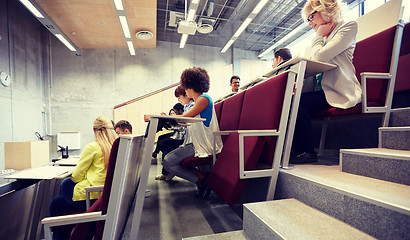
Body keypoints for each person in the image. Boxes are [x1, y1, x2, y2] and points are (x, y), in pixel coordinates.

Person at [291, 0, 361, 164]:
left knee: (297, 103)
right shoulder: (326, 35)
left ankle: (307, 152)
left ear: (324, 9)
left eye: (310, 17)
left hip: (340, 89)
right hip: (324, 90)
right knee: (292, 102)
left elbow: (319, 57)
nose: (309, 24)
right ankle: (299, 150)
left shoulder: (348, 26)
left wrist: (317, 37)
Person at [49, 116, 117, 239]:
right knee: (62, 198)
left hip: (90, 196)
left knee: (58, 197)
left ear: (94, 130)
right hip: (105, 196)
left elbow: (76, 176)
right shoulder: (117, 146)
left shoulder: (92, 147)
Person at [162, 67, 223, 198]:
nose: (184, 90)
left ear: (190, 85)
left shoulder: (204, 99)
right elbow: (184, 121)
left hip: (204, 145)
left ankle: (201, 179)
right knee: (169, 161)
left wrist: (163, 118)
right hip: (197, 144)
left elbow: (184, 119)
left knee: (168, 161)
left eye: (184, 87)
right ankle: (201, 178)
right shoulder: (198, 101)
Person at [155, 87, 195, 181]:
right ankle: (169, 171)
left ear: (186, 95)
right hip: (186, 138)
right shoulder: (186, 107)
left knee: (167, 145)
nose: (179, 100)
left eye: (179, 97)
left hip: (189, 140)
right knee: (164, 142)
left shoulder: (193, 105)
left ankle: (169, 171)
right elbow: (183, 124)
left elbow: (186, 121)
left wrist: (170, 118)